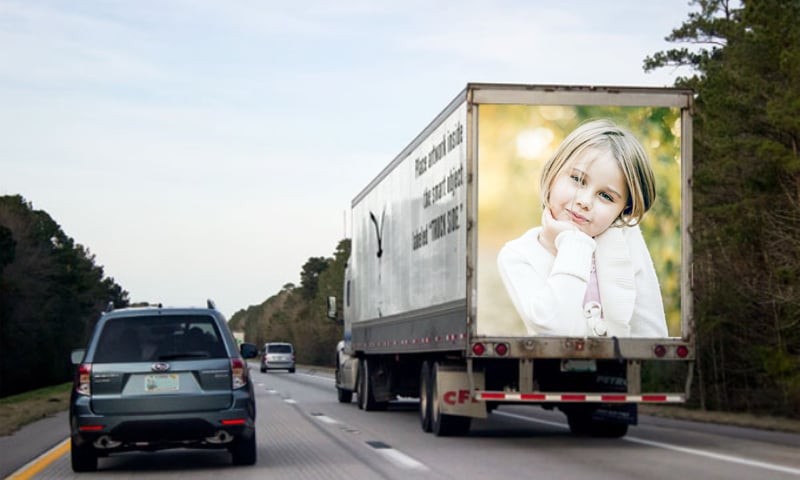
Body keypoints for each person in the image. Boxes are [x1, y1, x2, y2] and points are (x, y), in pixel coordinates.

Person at [497, 118, 668, 337]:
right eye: (578, 179)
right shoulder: (518, 256)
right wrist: (572, 243)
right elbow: (554, 327)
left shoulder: (625, 239)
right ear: (554, 171)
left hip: (626, 369)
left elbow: (652, 332)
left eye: (605, 196)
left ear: (623, 209)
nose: (585, 201)